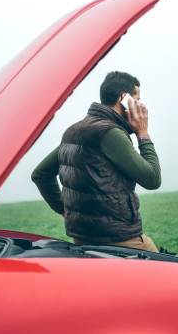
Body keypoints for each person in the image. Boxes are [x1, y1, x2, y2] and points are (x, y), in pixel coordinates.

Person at [31, 71, 161, 252]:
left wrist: (65, 211)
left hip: (82, 238)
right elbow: (152, 179)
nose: (140, 106)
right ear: (123, 98)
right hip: (120, 239)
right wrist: (143, 133)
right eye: (137, 99)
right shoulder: (110, 133)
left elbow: (40, 174)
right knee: (166, 273)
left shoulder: (74, 131)